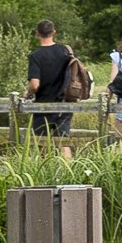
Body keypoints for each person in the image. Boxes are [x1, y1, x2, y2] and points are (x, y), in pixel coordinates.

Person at [22, 19, 81, 155]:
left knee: (41, 143)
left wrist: (27, 92)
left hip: (43, 105)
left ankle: (44, 174)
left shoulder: (35, 56)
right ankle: (69, 172)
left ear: (37, 34)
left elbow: (35, 85)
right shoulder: (65, 51)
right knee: (63, 141)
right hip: (64, 103)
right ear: (54, 32)